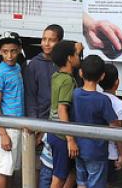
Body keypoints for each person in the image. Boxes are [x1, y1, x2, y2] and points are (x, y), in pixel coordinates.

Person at [72, 56, 119, 188]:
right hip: (97, 151)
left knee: (81, 182)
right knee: (96, 183)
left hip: (78, 147)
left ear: (81, 72)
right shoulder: (103, 100)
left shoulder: (75, 93)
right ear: (102, 76)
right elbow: (113, 123)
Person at [0, 32, 25, 188]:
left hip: (18, 125)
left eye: (13, 51)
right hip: (7, 127)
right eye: (5, 52)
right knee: (3, 170)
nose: (9, 55)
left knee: (11, 169)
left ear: (19, 49)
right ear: (0, 51)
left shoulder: (17, 67)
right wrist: (3, 133)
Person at [47, 40, 81, 188]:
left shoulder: (56, 76)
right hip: (62, 136)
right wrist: (70, 139)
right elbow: (62, 109)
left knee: (69, 172)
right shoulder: (67, 81)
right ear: (69, 58)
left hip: (54, 131)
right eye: (76, 54)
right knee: (59, 176)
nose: (78, 57)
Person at [25, 24, 62, 119]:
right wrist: (34, 121)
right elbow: (30, 96)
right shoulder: (34, 64)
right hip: (40, 119)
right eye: (44, 39)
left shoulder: (63, 63)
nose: (46, 43)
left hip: (59, 119)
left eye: (52, 40)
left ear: (60, 42)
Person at [98, 64, 122, 184]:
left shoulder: (96, 98)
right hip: (111, 153)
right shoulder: (119, 104)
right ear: (117, 82)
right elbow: (117, 132)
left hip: (95, 149)